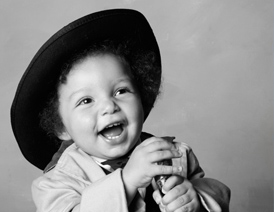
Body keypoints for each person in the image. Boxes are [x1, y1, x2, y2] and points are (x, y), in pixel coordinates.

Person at [11, 9, 230, 212]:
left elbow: (218, 193)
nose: (109, 106)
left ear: (141, 98)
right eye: (86, 100)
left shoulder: (174, 155)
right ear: (61, 126)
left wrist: (196, 198)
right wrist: (127, 180)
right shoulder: (55, 184)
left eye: (121, 91)